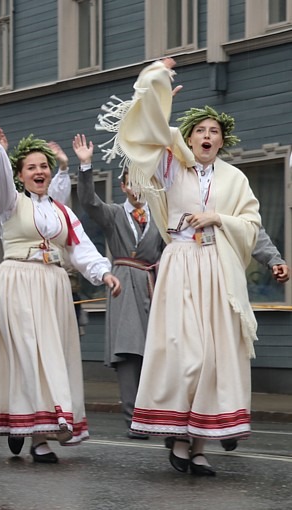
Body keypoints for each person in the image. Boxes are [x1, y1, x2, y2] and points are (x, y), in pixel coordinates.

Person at [101, 58, 261, 476]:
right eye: (200, 131)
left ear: (223, 141)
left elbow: (251, 222)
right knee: (183, 352)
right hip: (181, 262)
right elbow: (146, 133)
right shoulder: (172, 166)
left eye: (215, 132)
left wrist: (218, 219)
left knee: (212, 355)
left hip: (218, 268)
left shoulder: (234, 179)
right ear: (188, 138)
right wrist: (158, 85)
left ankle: (201, 443)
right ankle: (176, 435)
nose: (207, 137)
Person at [0, 109, 121, 464]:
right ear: (21, 175)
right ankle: (33, 432)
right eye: (31, 167)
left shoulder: (61, 212)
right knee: (27, 355)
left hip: (53, 286)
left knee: (52, 356)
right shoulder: (9, 203)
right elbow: (0, 181)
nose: (39, 172)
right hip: (18, 281)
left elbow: (81, 248)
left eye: (43, 166)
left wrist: (104, 273)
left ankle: (35, 427)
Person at [71, 134, 164, 440]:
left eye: (143, 181)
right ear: (123, 186)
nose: (137, 187)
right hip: (123, 284)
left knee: (155, 352)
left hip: (153, 285)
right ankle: (133, 418)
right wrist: (85, 165)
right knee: (127, 352)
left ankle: (154, 414)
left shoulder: (160, 217)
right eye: (131, 182)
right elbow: (88, 201)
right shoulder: (113, 214)